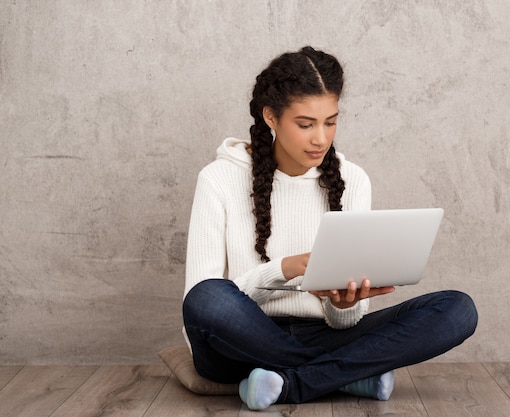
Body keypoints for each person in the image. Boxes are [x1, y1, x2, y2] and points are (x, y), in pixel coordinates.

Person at [182, 46, 478, 411]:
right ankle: (349, 375)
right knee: (206, 298)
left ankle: (293, 383)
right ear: (271, 117)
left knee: (458, 309)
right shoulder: (219, 178)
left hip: (328, 336)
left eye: (330, 122)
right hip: (244, 340)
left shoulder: (352, 180)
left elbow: (348, 321)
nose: (321, 138)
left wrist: (343, 305)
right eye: (306, 125)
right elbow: (197, 308)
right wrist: (284, 269)